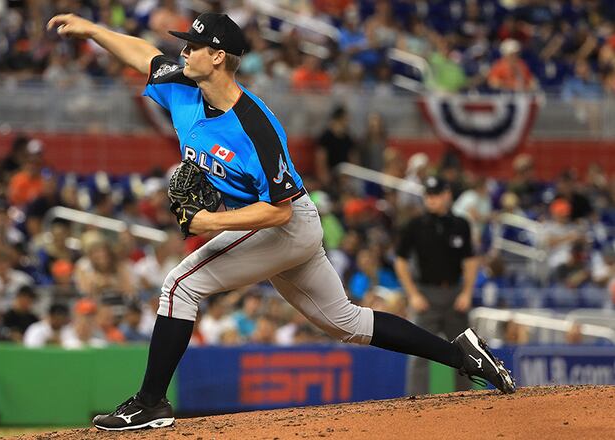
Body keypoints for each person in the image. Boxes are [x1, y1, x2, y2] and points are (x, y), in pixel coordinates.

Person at [48, 12, 515, 431]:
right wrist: (92, 31)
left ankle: (150, 402)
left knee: (179, 286)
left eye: (192, 46)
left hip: (284, 226)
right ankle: (463, 354)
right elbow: (143, 55)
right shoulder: (181, 83)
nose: (183, 51)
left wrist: (210, 222)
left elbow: (280, 209)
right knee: (346, 322)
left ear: (217, 56)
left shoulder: (256, 126)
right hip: (277, 228)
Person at [394, 176, 480, 396]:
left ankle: (467, 398)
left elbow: (470, 260)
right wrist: (412, 294)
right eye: (428, 195)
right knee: (418, 350)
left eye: (436, 195)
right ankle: (415, 401)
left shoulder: (461, 224)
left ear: (447, 194)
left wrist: (467, 292)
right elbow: (400, 261)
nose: (431, 200)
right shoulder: (415, 225)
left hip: (455, 293)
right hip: (426, 295)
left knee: (465, 352)